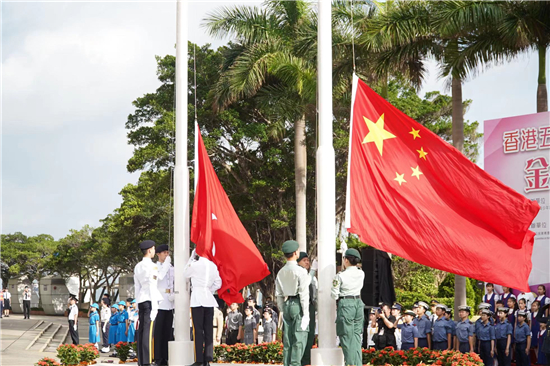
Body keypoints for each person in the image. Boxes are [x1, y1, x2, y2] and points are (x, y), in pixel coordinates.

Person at [184, 248, 222, 366]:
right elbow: (218, 283)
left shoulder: (195, 265)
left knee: (198, 331)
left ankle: (199, 359)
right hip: (208, 299)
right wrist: (208, 290)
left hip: (197, 299)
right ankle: (208, 359)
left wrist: (191, 258)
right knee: (208, 330)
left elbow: (185, 273)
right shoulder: (212, 265)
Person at [275, 240, 310, 366]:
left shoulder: (281, 272)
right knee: (299, 339)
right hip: (297, 304)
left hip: (287, 304)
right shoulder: (300, 271)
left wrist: (282, 308)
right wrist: (306, 313)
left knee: (288, 340)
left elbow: (278, 294)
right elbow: (304, 294)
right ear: (296, 253)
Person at [331, 248, 364, 365]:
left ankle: (350, 363)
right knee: (356, 338)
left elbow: (334, 294)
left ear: (346, 260)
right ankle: (357, 363)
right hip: (358, 304)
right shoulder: (361, 273)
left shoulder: (340, 276)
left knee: (346, 337)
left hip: (346, 304)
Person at [134, 240, 163, 366]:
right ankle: (147, 361)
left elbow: (137, 287)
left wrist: (137, 304)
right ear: (150, 250)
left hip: (141, 300)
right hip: (150, 300)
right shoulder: (152, 266)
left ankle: (141, 361)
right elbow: (152, 285)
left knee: (142, 331)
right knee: (148, 331)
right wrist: (155, 308)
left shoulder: (138, 266)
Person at [154, 244, 175, 366]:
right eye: (164, 253)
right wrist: (167, 264)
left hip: (170, 301)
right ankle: (158, 358)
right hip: (160, 301)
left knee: (168, 331)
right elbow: (160, 277)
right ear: (158, 254)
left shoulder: (171, 267)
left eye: (168, 253)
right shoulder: (155, 267)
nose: (166, 255)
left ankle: (166, 357)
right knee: (159, 332)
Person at [297, 251, 318, 366]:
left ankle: (306, 361)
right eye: (304, 260)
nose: (307, 262)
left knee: (310, 336)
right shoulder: (298, 273)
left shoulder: (312, 278)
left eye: (308, 260)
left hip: (310, 307)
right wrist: (313, 271)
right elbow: (305, 284)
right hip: (300, 306)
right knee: (301, 336)